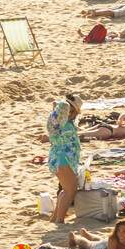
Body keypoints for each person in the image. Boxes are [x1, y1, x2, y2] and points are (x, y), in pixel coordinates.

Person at [43, 96, 81, 225]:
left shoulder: (58, 121)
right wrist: (65, 106)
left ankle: (55, 218)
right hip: (63, 159)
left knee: (66, 189)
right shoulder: (61, 121)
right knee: (70, 190)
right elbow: (61, 106)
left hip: (60, 158)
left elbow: (57, 105)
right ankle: (59, 220)